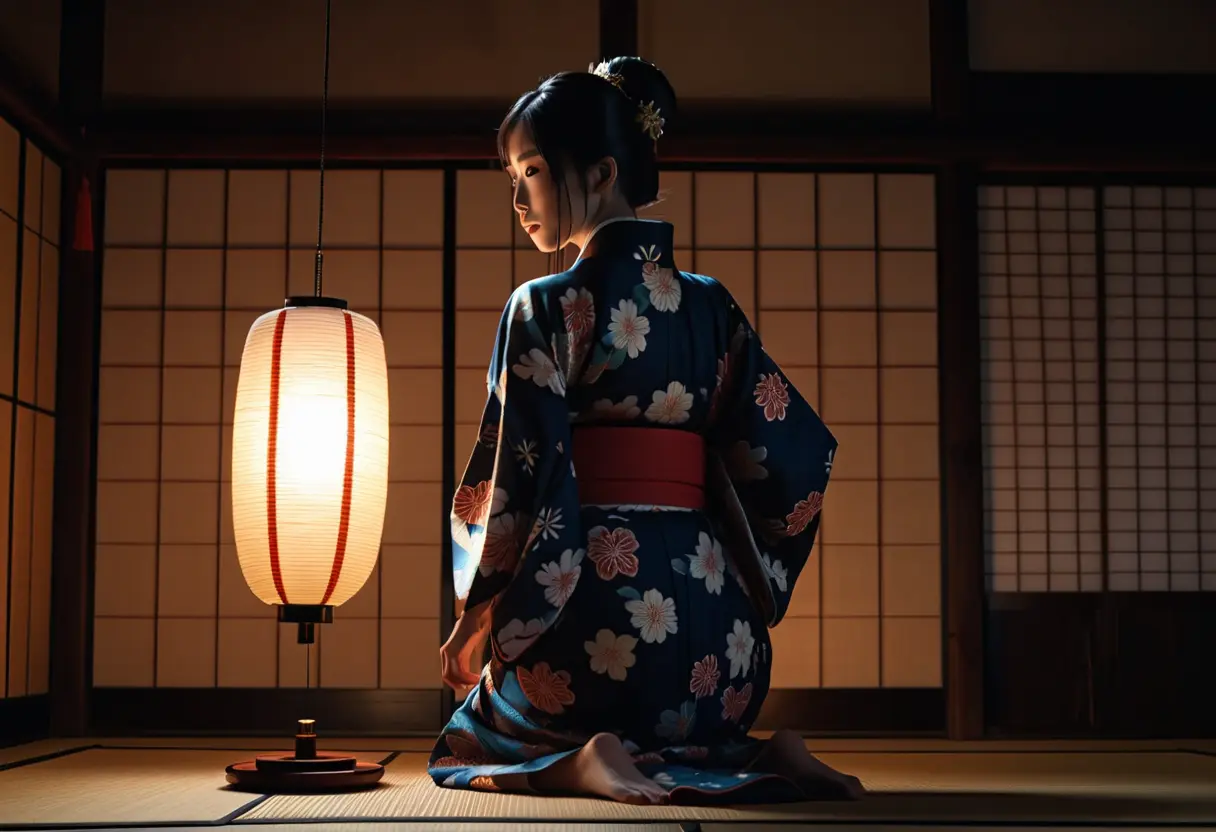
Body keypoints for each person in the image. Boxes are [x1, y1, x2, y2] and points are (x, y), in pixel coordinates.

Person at [429, 56, 861, 806]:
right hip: (719, 650)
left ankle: (583, 756)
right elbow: (787, 457)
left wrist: (482, 616)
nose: (517, 197)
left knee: (481, 727)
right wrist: (730, 563)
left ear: (599, 173)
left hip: (598, 630)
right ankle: (766, 747)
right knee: (697, 728)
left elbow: (518, 482)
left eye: (530, 171)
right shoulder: (709, 305)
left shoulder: (543, 303)